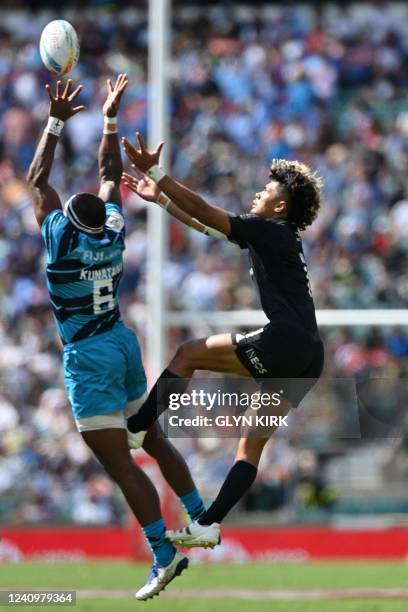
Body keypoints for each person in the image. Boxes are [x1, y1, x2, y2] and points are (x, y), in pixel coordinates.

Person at [27, 76, 207, 600]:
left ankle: (163, 552)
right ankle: (199, 516)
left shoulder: (60, 243)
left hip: (88, 355)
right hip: (121, 340)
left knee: (118, 461)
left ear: (66, 222)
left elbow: (38, 178)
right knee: (151, 437)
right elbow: (110, 174)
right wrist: (109, 117)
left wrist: (56, 119)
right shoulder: (112, 232)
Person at [121, 133, 325, 547]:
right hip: (309, 356)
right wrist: (161, 202)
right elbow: (207, 227)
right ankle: (208, 523)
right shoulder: (275, 236)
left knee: (188, 353)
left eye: (267, 191)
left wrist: (156, 172)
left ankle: (139, 428)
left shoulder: (269, 231)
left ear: (280, 207)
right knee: (250, 447)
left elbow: (203, 209)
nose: (258, 193)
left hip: (284, 340)